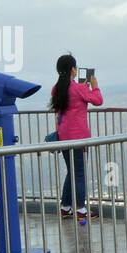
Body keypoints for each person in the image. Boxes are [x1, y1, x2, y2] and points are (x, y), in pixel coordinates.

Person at [49, 55, 103, 221]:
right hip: (79, 138)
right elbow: (98, 100)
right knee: (79, 173)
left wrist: (83, 88)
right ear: (73, 69)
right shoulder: (78, 88)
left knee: (71, 172)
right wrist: (94, 87)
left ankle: (65, 207)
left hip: (63, 137)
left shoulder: (56, 88)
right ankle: (80, 210)